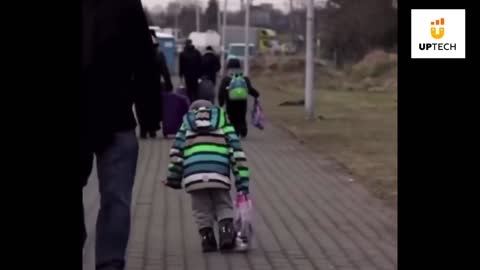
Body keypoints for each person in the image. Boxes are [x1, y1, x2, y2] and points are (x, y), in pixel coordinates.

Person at [81, 0, 160, 269]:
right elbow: (145, 60)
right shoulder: (126, 5)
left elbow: (144, 60)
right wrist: (150, 117)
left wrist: (148, 114)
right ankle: (110, 264)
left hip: (108, 119)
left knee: (115, 200)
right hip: (116, 115)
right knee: (116, 200)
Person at [164, 99, 251, 253]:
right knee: (223, 204)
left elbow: (176, 153)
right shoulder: (224, 123)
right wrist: (242, 182)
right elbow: (237, 154)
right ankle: (226, 234)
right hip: (218, 175)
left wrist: (174, 178)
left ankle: (207, 240)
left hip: (194, 177)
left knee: (201, 209)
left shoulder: (186, 126)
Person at [137, 32, 174, 139]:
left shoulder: (138, 54)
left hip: (140, 87)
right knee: (154, 108)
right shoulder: (159, 55)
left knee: (142, 108)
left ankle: (143, 130)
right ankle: (152, 129)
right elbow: (165, 71)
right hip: (154, 87)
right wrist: (169, 85)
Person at [218, 58, 260, 138]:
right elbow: (249, 89)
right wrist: (256, 94)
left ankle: (235, 131)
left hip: (230, 101)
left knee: (232, 117)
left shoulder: (226, 79)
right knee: (241, 116)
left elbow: (221, 91)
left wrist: (221, 102)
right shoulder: (244, 77)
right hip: (242, 101)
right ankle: (243, 130)